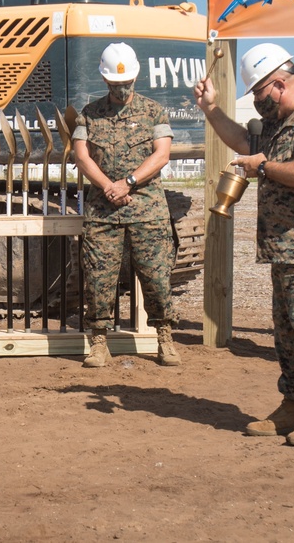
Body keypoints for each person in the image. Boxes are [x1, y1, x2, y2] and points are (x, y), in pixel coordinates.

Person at [194, 43, 294, 446]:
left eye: (260, 95)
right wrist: (211, 110)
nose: (259, 105)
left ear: (279, 84)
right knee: (287, 332)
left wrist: (262, 167)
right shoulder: (284, 121)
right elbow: (245, 145)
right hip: (288, 250)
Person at [72, 42, 181, 368]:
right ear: (106, 81)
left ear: (136, 78)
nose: (123, 90)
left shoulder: (154, 112)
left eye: (127, 83)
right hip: (103, 211)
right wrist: (108, 186)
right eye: (116, 85)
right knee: (98, 278)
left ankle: (164, 336)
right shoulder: (89, 115)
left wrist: (128, 183)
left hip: (146, 209)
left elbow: (161, 154)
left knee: (157, 276)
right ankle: (99, 342)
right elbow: (81, 155)